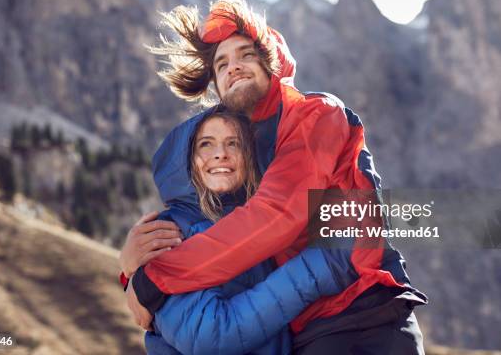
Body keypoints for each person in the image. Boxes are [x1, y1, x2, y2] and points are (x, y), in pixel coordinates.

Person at [127, 0, 427, 353]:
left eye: (245, 55)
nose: (232, 66)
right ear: (217, 88)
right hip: (308, 332)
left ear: (271, 64)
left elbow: (278, 213)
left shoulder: (315, 115)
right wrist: (130, 269)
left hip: (368, 315)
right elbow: (216, 227)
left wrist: (156, 279)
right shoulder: (245, 154)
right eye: (221, 65)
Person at [122, 108, 353, 354]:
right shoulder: (165, 233)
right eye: (206, 144)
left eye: (233, 143)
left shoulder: (259, 223)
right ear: (184, 160)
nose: (221, 154)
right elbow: (211, 336)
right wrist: (314, 271)